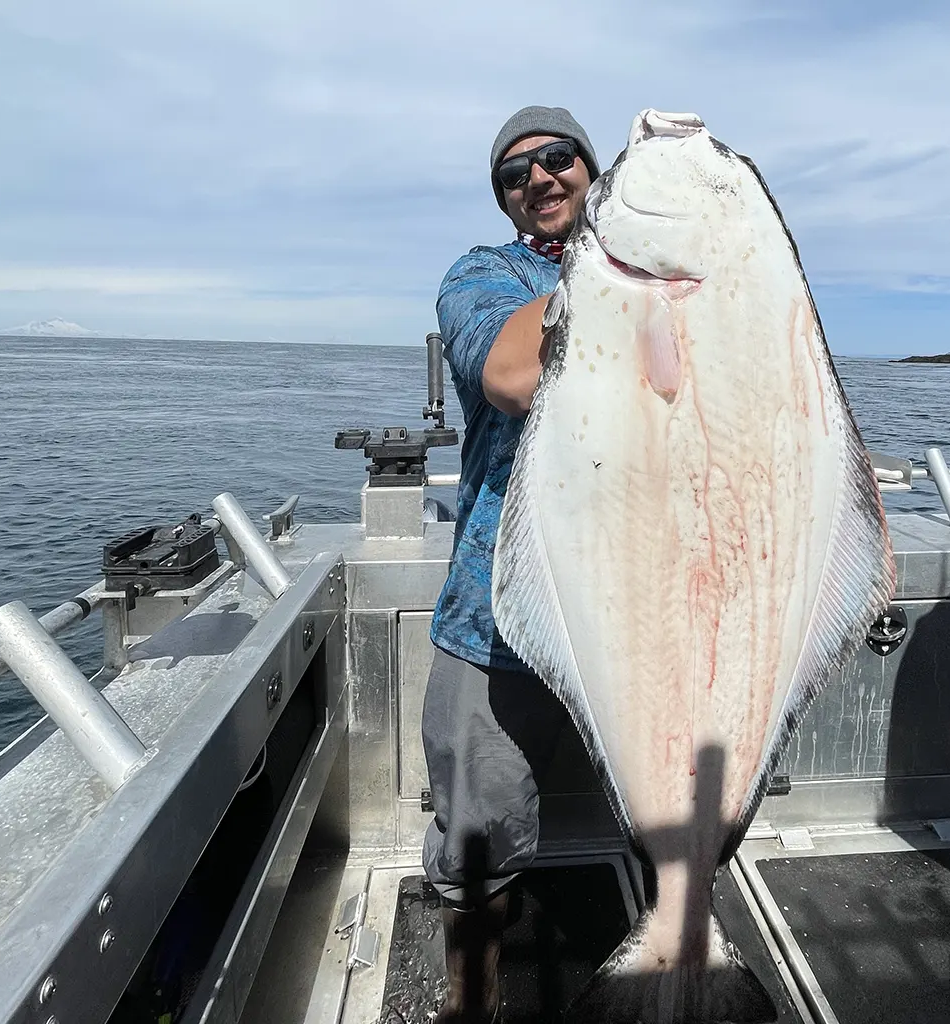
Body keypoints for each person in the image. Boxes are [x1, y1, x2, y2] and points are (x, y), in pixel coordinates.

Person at [420, 105, 602, 1023]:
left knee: (676, 808)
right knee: (477, 839)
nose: (538, 178)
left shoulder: (683, 283)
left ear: (590, 165)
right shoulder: (484, 275)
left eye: (557, 158)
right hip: (495, 610)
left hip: (635, 609)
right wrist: (614, 272)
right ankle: (471, 1004)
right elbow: (511, 377)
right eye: (514, 173)